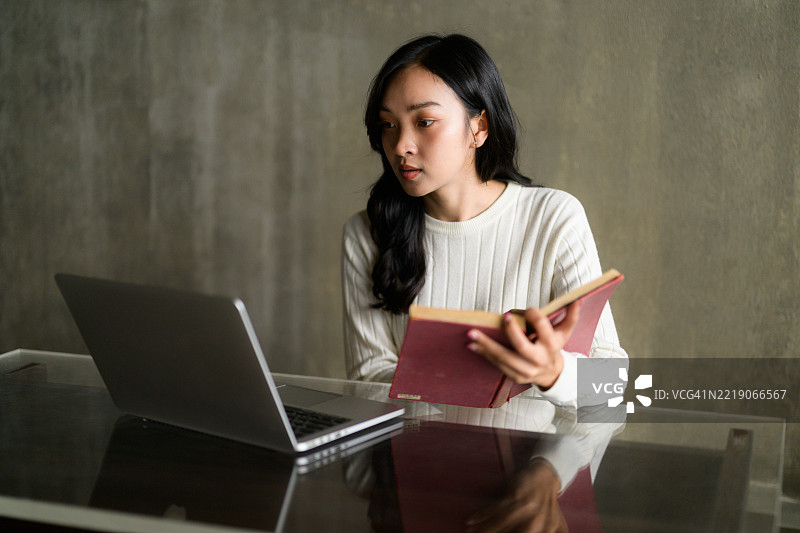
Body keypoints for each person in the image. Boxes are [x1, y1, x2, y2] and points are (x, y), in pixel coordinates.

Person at [341, 33, 626, 407]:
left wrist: (552, 373)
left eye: (424, 121)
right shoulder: (368, 234)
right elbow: (370, 378)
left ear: (479, 128)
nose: (400, 146)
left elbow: (613, 387)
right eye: (388, 125)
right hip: (418, 459)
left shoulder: (553, 219)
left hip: (535, 460)